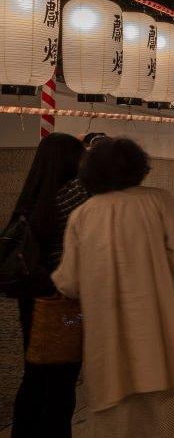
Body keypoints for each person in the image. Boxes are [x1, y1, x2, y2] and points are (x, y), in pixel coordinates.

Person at [52, 137, 174, 437]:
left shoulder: (83, 214)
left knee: (114, 406)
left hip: (107, 329)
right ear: (138, 166)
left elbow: (68, 280)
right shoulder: (159, 201)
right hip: (157, 322)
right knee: (162, 404)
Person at [10, 133, 88, 438]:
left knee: (34, 375)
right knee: (62, 381)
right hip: (64, 302)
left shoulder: (30, 199)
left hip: (32, 300)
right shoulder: (74, 196)